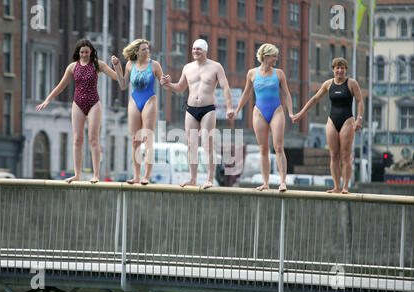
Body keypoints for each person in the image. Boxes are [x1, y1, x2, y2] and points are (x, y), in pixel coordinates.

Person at [36, 39, 123, 184]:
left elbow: (117, 78)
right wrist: (48, 99)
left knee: (93, 139)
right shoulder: (72, 67)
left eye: (87, 53)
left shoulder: (97, 64)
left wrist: (117, 66)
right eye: (82, 52)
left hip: (94, 102)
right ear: (78, 52)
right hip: (78, 103)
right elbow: (61, 85)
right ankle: (77, 174)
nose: (84, 55)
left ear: (91, 52)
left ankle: (96, 174)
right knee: (77, 139)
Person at [160, 39, 233, 189]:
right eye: (193, 49)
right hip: (191, 109)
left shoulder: (216, 67)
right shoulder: (187, 68)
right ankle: (192, 179)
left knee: (207, 144)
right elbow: (180, 88)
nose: (195, 51)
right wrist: (167, 85)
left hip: (208, 109)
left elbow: (225, 87)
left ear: (205, 50)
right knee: (191, 145)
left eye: (199, 49)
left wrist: (230, 107)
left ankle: (209, 179)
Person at [292, 57, 364, 194]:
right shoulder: (328, 84)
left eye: (342, 68)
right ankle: (336, 186)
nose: (340, 70)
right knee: (334, 155)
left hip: (347, 120)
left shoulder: (351, 83)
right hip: (332, 120)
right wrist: (301, 113)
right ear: (333, 70)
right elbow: (315, 99)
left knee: (345, 155)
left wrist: (359, 119)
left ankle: (345, 187)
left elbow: (360, 101)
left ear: (346, 70)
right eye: (337, 68)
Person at [231, 43, 293, 192]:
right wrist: (237, 109)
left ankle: (283, 182)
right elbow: (246, 93)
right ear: (266, 57)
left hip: (276, 111)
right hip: (259, 112)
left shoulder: (279, 74)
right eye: (274, 57)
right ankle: (266, 183)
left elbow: (286, 93)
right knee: (263, 148)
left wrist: (290, 112)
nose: (276, 59)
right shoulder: (252, 73)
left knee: (278, 147)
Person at [111, 39, 165, 185]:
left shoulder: (154, 65)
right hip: (134, 100)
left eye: (148, 49)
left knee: (147, 138)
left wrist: (165, 80)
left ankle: (146, 176)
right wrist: (117, 67)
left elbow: (163, 82)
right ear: (136, 52)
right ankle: (136, 176)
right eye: (144, 49)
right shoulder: (130, 64)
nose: (147, 51)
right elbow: (123, 85)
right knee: (135, 140)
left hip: (149, 100)